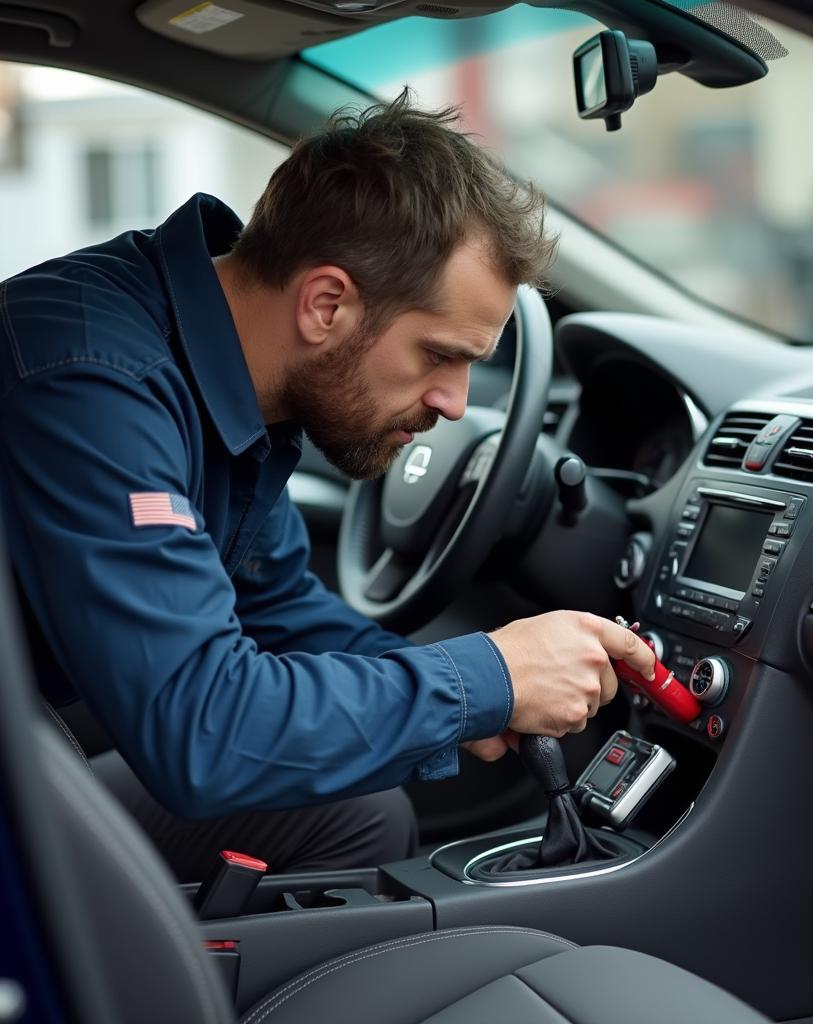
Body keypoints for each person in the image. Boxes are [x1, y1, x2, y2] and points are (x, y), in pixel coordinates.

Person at [0, 91, 654, 882]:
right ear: (326, 304)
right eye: (440, 355)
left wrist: (482, 702)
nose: (454, 402)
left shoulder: (236, 375)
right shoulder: (94, 384)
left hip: (32, 758)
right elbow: (202, 735)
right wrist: (489, 677)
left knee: (358, 811)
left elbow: (275, 610)